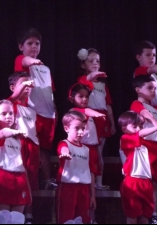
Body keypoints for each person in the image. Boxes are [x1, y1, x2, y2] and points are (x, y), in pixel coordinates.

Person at [14, 28, 57, 191]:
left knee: (45, 150)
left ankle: (47, 180)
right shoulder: (22, 61)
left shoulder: (45, 68)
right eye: (30, 43)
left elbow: (50, 91)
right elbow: (24, 62)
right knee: (32, 150)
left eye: (37, 44)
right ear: (21, 47)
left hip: (48, 114)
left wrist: (55, 112)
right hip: (32, 113)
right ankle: (28, 185)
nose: (34, 47)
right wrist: (32, 62)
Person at [77, 48, 116, 190]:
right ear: (83, 65)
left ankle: (98, 183)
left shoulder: (103, 85)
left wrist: (111, 122)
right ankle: (87, 180)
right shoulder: (83, 80)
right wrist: (92, 76)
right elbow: (84, 84)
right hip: (89, 118)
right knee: (89, 151)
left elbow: (108, 104)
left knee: (99, 153)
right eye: (91, 61)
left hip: (102, 118)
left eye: (97, 61)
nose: (95, 63)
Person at [0, 100, 31, 218]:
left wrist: (28, 190)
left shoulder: (19, 138)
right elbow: (3, 133)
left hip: (19, 180)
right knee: (2, 220)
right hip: (2, 179)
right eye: (3, 114)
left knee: (17, 219)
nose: (8, 117)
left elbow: (22, 165)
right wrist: (15, 131)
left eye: (11, 113)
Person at [68, 83, 105, 223]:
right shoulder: (74, 111)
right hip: (81, 149)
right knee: (86, 180)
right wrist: (96, 113)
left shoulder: (86, 111)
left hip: (92, 149)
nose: (84, 99)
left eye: (86, 97)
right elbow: (87, 112)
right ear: (72, 98)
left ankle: (91, 217)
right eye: (80, 96)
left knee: (92, 178)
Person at [119, 111, 157, 224]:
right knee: (132, 215)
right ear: (123, 128)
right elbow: (140, 134)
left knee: (145, 217)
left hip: (146, 183)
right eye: (134, 126)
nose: (138, 129)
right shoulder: (126, 138)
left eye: (141, 126)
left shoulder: (147, 143)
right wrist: (156, 127)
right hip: (132, 182)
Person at [8, 71, 39, 222]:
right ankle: (18, 213)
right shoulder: (10, 104)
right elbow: (13, 98)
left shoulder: (32, 110)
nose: (27, 87)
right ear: (13, 87)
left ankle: (29, 212)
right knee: (20, 178)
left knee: (31, 179)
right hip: (18, 145)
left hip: (32, 146)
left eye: (29, 84)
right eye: (23, 84)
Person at [56, 110, 96, 224]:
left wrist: (92, 195)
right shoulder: (64, 144)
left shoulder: (86, 149)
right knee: (66, 219)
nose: (80, 132)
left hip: (84, 189)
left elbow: (90, 172)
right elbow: (63, 149)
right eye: (77, 128)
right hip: (67, 188)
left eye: (83, 129)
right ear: (66, 128)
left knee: (84, 219)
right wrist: (64, 153)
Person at [130, 75, 157, 224]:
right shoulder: (136, 104)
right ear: (138, 89)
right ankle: (144, 213)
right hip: (146, 147)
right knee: (147, 182)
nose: (153, 91)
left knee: (154, 182)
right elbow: (142, 112)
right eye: (149, 88)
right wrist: (154, 122)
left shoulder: (154, 108)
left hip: (156, 146)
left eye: (155, 88)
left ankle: (153, 213)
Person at [134, 41, 157, 114]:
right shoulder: (139, 71)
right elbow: (152, 69)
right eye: (148, 55)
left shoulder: (156, 77)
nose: (152, 57)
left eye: (154, 55)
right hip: (148, 110)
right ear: (139, 57)